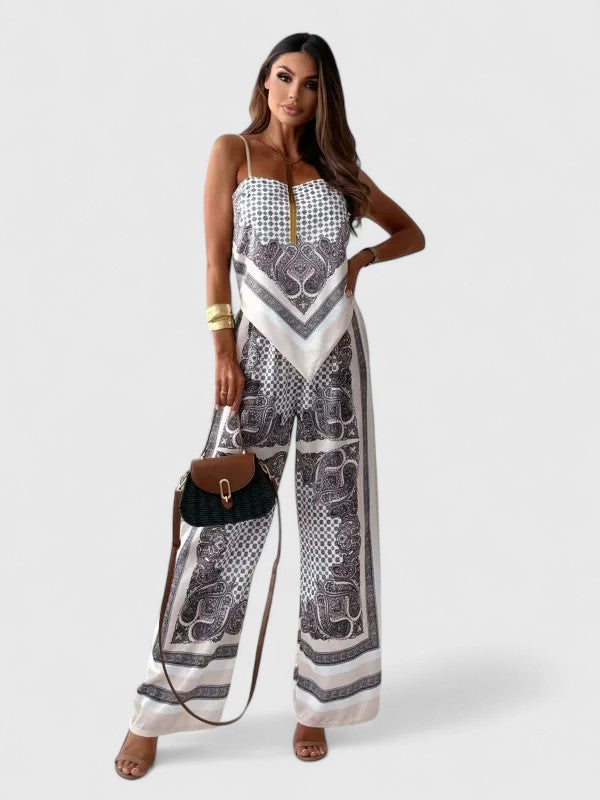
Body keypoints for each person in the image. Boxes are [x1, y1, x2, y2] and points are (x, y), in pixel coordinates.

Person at [114, 31, 425, 779]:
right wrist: (222, 351)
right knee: (222, 532)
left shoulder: (338, 169)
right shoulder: (233, 152)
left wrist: (361, 260)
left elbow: (411, 232)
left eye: (311, 84)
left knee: (335, 532)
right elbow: (215, 260)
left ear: (324, 96)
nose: (294, 94)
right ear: (264, 81)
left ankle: (319, 703)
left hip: (337, 366)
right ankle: (159, 708)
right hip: (256, 361)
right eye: (284, 77)